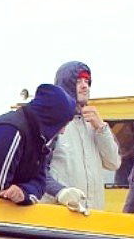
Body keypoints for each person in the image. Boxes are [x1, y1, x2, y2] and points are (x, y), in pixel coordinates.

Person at [42, 61, 120, 212]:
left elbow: (113, 163)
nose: (85, 86)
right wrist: (60, 192)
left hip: (92, 218)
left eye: (87, 81)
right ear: (65, 85)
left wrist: (101, 129)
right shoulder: (52, 122)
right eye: (78, 81)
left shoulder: (94, 124)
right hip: (61, 216)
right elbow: (36, 171)